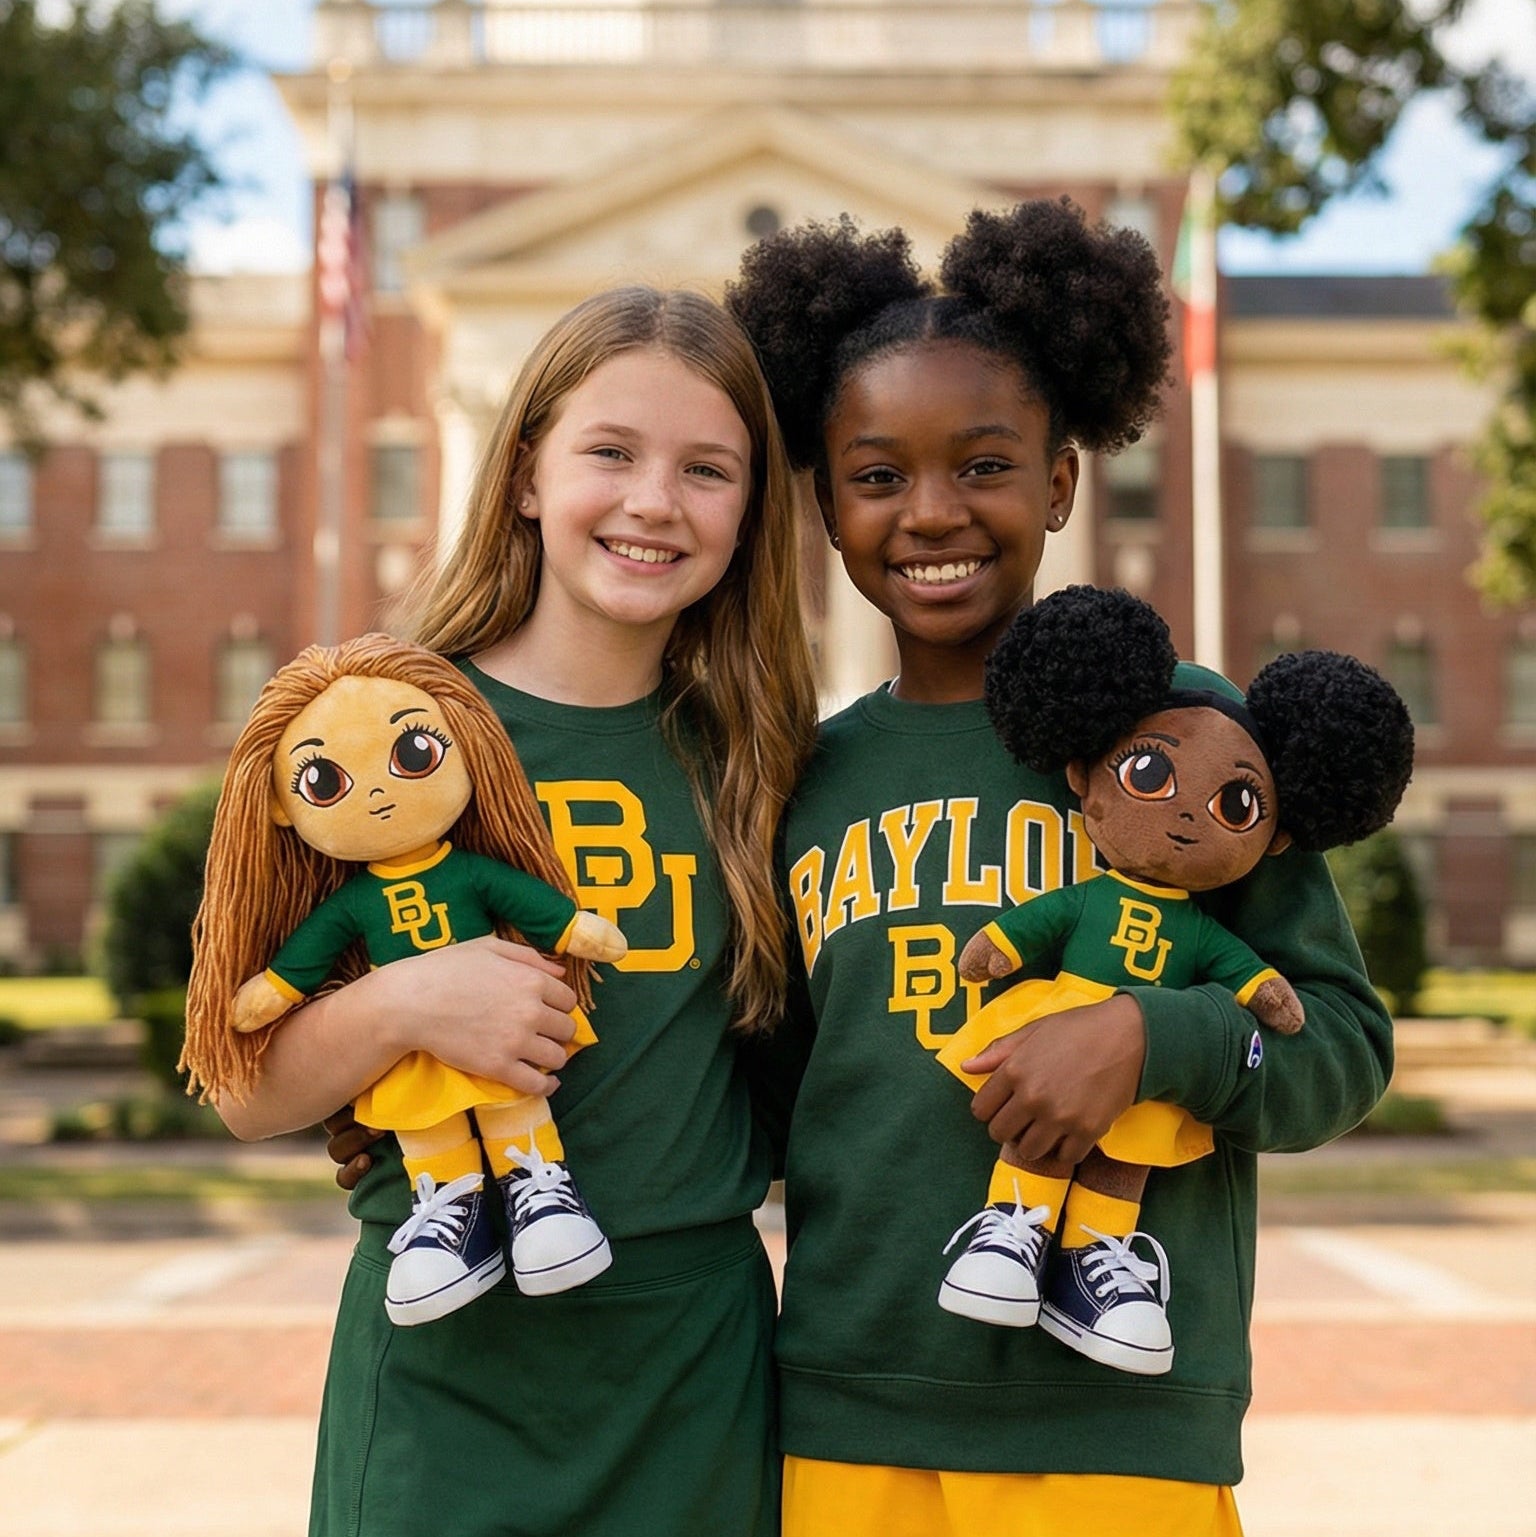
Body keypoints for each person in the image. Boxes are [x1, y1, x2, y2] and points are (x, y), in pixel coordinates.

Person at [725, 201, 1393, 1537]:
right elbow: (755, 1097)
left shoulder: (1189, 737)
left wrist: (1159, 1035)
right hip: (851, 1410)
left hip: (1122, 1425)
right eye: (877, 475)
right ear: (822, 500)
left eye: (982, 464)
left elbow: (1341, 1051)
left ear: (1062, 484)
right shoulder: (794, 781)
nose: (931, 513)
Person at [209, 286, 819, 1537]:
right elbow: (243, 1085)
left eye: (708, 469)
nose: (655, 500)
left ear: (750, 513)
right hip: (448, 1364)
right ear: (528, 471)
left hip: (689, 1369)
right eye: (611, 451)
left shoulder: (762, 760)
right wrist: (405, 999)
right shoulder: (379, 728)